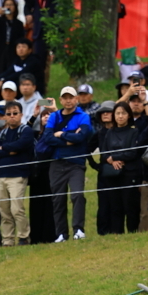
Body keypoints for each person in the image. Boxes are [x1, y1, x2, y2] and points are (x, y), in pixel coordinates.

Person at [40, 87, 93, 242]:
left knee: (77, 195)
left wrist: (62, 134)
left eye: (71, 97)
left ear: (76, 99)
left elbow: (82, 137)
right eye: (65, 98)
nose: (68, 101)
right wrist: (69, 140)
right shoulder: (54, 116)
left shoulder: (83, 116)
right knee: (58, 199)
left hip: (76, 163)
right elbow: (48, 138)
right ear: (61, 100)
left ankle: (78, 229)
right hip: (57, 163)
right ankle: (61, 234)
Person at [93, 101, 145, 235]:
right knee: (115, 207)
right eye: (117, 113)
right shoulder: (109, 133)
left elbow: (133, 152)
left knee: (130, 206)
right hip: (112, 174)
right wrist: (111, 160)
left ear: (129, 115)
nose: (120, 116)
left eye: (123, 113)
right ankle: (117, 234)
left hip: (129, 173)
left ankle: (133, 232)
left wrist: (115, 157)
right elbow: (104, 153)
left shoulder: (134, 131)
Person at [0, 99, 35, 245]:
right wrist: (11, 150)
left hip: (18, 175)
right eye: (8, 114)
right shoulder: (1, 133)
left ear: (21, 114)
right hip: (1, 176)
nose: (12, 116)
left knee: (17, 209)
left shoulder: (26, 130)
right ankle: (8, 239)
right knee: (4, 211)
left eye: (15, 113)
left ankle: (23, 237)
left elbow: (23, 144)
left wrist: (4, 148)